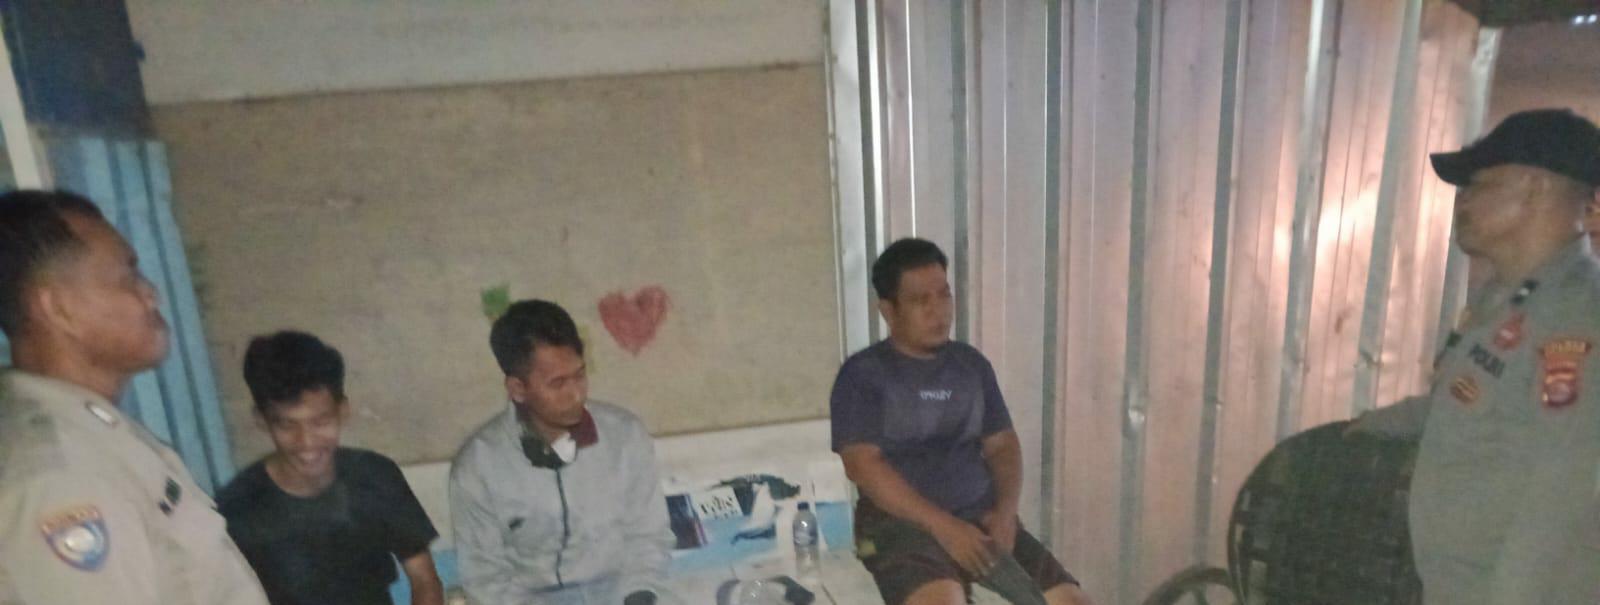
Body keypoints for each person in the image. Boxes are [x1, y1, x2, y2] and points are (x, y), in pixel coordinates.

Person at [1350, 108, 1600, 604]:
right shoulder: (1509, 298)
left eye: (1478, 185)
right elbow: (1469, 399)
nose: (1461, 201)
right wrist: (1377, 424)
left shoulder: (1578, 315)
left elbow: (1563, 491)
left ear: (1535, 187)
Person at [0, 190, 269, 605]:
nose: (150, 293)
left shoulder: (94, 434)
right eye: (128, 276)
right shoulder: (63, 477)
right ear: (59, 308)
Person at [831, 238, 1092, 605]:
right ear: (888, 310)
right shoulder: (864, 375)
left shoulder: (971, 366)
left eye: (944, 295)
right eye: (921, 301)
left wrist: (1005, 514)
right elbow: (862, 465)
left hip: (981, 519)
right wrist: (946, 528)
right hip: (902, 527)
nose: (938, 311)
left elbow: (1002, 445)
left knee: (1072, 601)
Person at [449, 299, 677, 605]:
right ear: (518, 389)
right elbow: (485, 577)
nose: (576, 394)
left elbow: (648, 538)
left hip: (624, 595)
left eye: (580, 375)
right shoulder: (478, 465)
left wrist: (640, 596)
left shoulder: (625, 436)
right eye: (557, 383)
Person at [217, 331, 444, 605]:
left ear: (343, 411)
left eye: (320, 422)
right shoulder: (239, 508)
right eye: (287, 425)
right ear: (262, 421)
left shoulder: (375, 476)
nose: (306, 442)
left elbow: (424, 580)